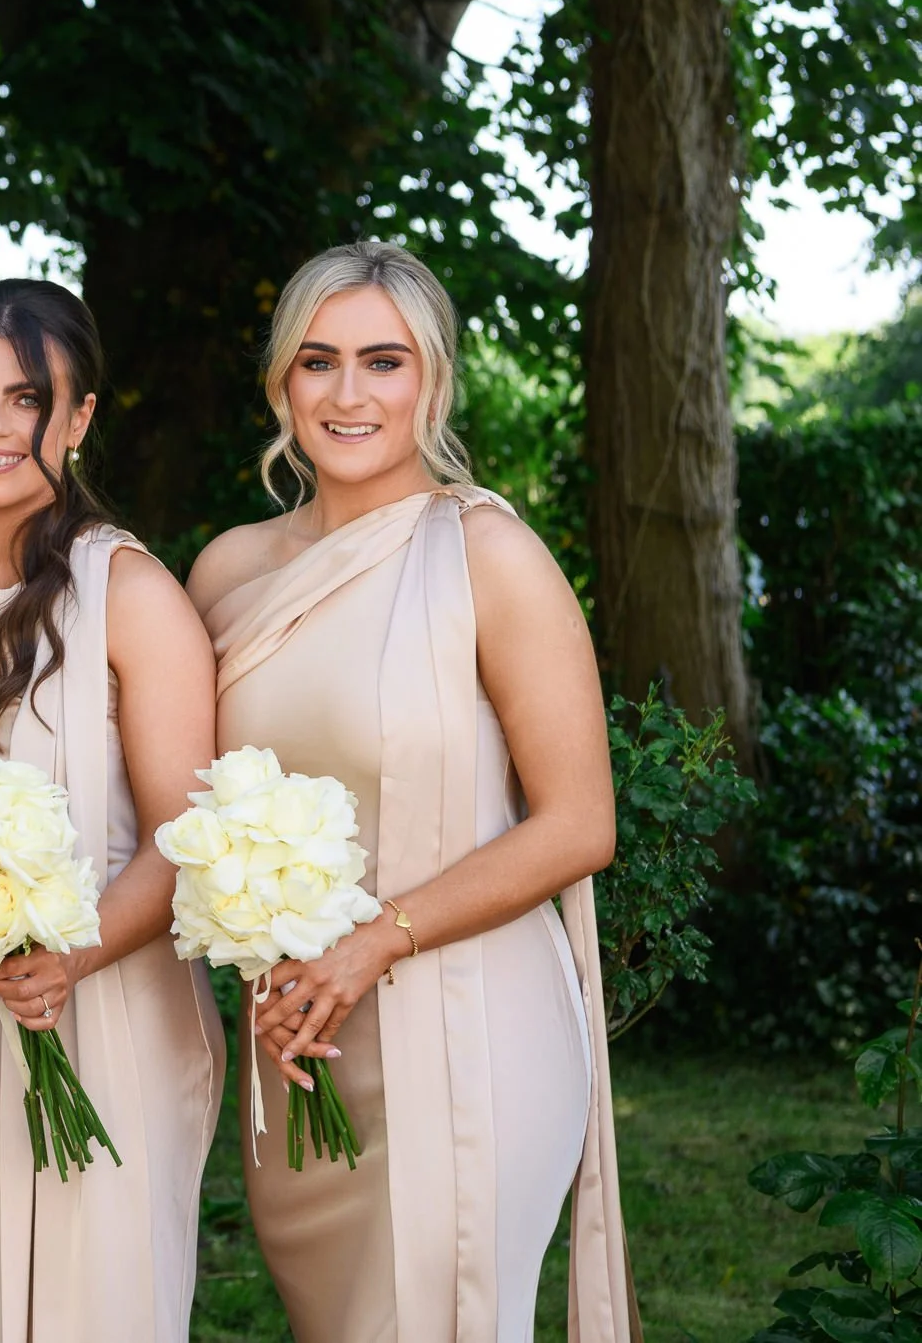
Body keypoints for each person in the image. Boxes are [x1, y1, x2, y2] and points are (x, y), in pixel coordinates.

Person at [185, 240, 633, 1343]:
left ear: (431, 378)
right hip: (296, 1037)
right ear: (281, 381)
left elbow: (580, 822)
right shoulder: (226, 570)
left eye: (382, 361)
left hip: (467, 1025)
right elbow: (184, 805)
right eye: (317, 360)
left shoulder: (489, 554)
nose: (347, 394)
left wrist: (373, 942)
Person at [0, 277, 224, 1343]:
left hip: (105, 1011)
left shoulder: (131, 593)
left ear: (79, 416)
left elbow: (178, 833)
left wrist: (73, 955)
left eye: (25, 399)